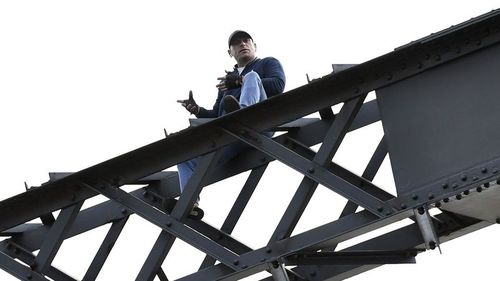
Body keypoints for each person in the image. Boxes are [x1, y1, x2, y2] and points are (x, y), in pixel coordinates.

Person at [176, 30, 286, 218]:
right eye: (237, 43)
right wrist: (197, 111)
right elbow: (217, 114)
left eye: (246, 41)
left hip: (260, 123)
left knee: (252, 77)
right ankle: (189, 203)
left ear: (254, 46)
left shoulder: (267, 63)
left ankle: (243, 113)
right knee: (184, 158)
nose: (242, 44)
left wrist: (241, 81)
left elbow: (278, 85)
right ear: (230, 53)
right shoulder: (227, 83)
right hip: (233, 136)